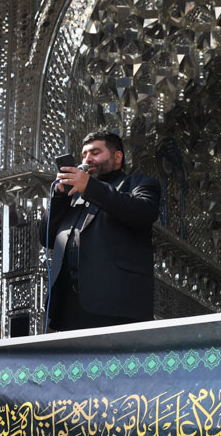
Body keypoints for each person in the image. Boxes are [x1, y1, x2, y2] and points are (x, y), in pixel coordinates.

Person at [43, 130, 162, 330]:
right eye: (84, 155)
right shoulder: (73, 197)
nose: (88, 159)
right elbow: (45, 237)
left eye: (95, 152)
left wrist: (90, 187)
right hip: (68, 309)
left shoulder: (138, 183)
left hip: (116, 306)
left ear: (117, 157)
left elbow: (144, 212)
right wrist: (60, 197)